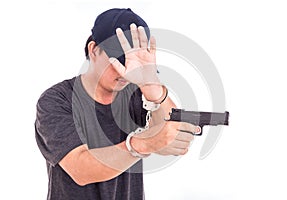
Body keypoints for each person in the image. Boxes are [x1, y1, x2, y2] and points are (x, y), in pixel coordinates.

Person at [35, 8, 200, 200]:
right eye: (119, 61)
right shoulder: (56, 100)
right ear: (93, 49)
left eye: (134, 66)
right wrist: (142, 144)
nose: (125, 73)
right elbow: (81, 169)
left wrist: (151, 85)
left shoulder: (137, 95)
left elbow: (172, 131)